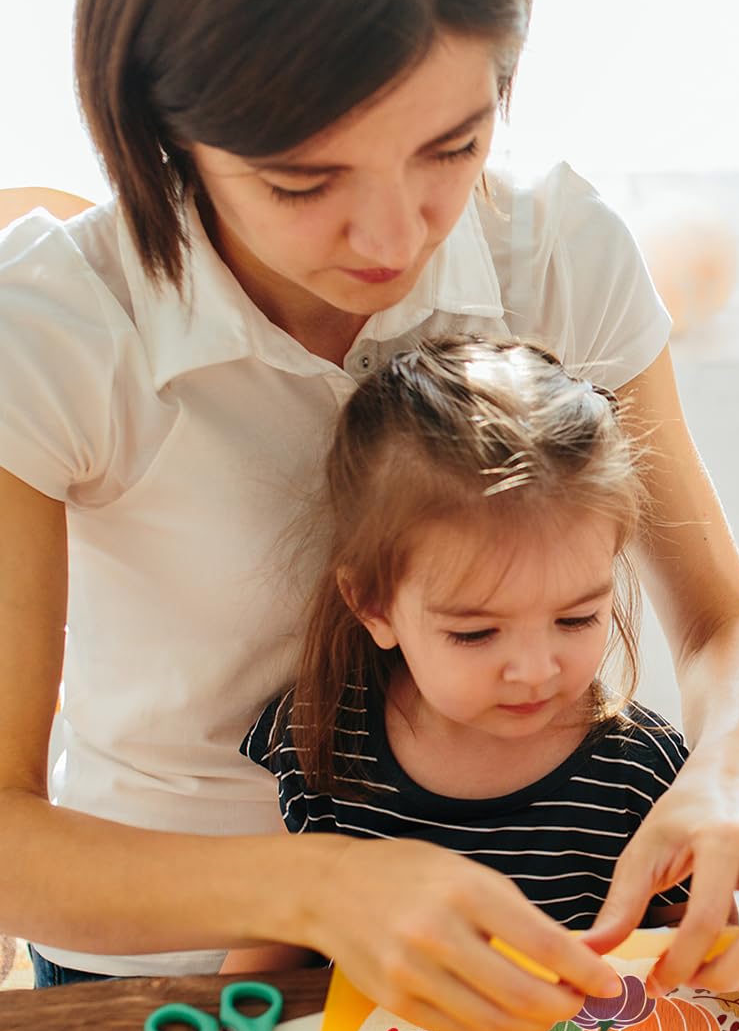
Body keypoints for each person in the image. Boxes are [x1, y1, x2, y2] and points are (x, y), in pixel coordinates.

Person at [0, 0, 739, 1031]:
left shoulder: (558, 254)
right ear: (158, 125)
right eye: (300, 178)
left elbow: (720, 619)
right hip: (162, 976)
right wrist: (328, 890)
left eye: (451, 149)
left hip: (517, 928)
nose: (393, 236)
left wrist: (737, 772)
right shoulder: (57, 333)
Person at [224, 336, 692, 974]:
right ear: (373, 606)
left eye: (577, 618)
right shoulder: (318, 734)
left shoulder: (644, 771)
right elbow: (267, 951)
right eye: (476, 634)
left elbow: (701, 969)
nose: (534, 670)